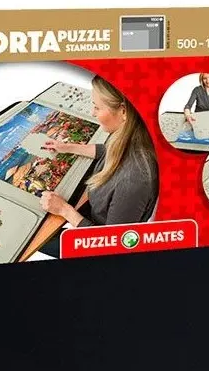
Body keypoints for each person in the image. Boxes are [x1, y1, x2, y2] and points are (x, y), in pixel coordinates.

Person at [38, 75, 159, 254]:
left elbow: (112, 244)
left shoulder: (134, 179)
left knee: (39, 239)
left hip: (101, 240)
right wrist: (67, 147)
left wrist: (65, 210)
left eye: (97, 107)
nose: (93, 113)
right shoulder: (131, 134)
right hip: (97, 211)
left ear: (123, 112)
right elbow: (108, 150)